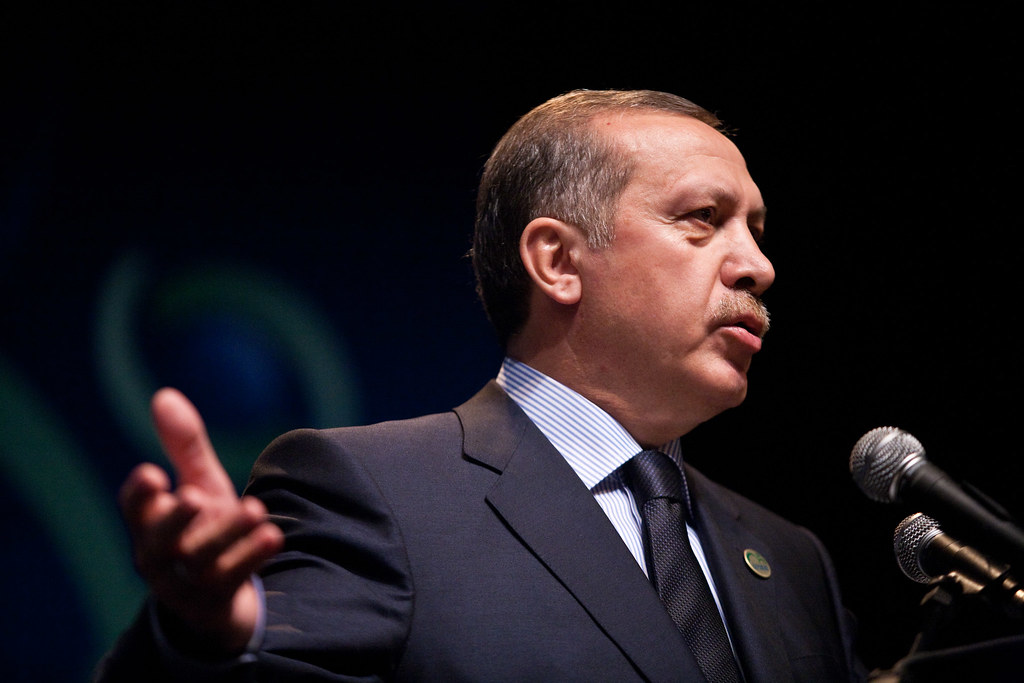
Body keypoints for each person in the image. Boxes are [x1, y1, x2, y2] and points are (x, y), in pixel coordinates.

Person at [94, 89, 865, 681]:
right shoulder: (376, 492)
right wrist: (204, 636)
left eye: (756, 230)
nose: (758, 266)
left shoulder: (791, 556)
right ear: (557, 261)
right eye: (703, 217)